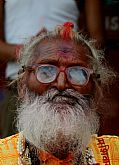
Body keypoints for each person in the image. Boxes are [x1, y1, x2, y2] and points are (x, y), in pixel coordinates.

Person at [0, 23, 118, 165]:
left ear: (96, 91)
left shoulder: (114, 154)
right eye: (46, 71)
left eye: (77, 73)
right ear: (22, 86)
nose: (61, 84)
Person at [0, 0, 105, 138]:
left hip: (75, 89)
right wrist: (33, 51)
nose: (60, 83)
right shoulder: (22, 83)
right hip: (22, 86)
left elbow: (97, 39)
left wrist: (69, 50)